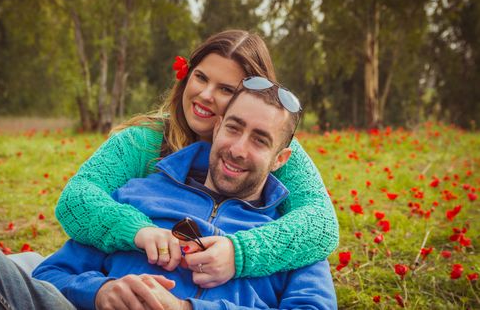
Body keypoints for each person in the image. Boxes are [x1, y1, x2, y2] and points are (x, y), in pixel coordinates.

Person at [55, 29, 339, 288]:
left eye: (226, 89)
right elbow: (77, 198)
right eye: (201, 77)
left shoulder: (268, 151)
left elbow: (321, 223)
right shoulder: (144, 140)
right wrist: (137, 229)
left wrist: (238, 253)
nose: (205, 95)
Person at [33, 85, 337, 309]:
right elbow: (47, 276)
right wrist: (100, 293)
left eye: (260, 140)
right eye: (233, 128)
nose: (237, 149)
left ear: (280, 159)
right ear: (217, 127)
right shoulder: (139, 195)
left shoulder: (292, 239)